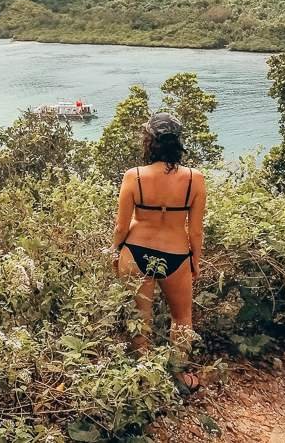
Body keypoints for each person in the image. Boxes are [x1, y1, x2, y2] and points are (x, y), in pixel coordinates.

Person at [107, 112, 205, 392]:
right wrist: (195, 260)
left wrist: (115, 254)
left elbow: (121, 226)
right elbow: (195, 231)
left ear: (149, 141)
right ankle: (177, 377)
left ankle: (145, 378)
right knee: (182, 317)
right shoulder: (194, 179)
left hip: (136, 251)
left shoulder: (134, 176)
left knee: (141, 318)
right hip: (175, 255)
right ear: (178, 142)